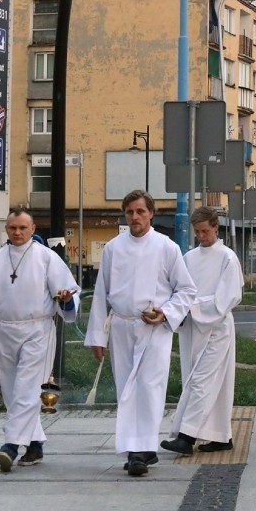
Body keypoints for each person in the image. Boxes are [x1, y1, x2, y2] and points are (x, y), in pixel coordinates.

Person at [84, 190, 196, 476]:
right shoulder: (113, 248)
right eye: (130, 212)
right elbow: (101, 294)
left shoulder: (166, 247)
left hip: (153, 328)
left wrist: (166, 313)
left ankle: (142, 450)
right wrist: (98, 336)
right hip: (122, 326)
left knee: (150, 386)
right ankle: (136, 449)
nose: (135, 217)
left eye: (140, 211)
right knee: (126, 388)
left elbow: (186, 289)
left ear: (151, 214)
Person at [0, 207, 79, 472]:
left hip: (37, 330)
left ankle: (10, 444)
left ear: (32, 229)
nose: (17, 232)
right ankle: (35, 443)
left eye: (22, 227)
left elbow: (69, 290)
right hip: (6, 330)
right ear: (6, 229)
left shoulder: (46, 258)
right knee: (11, 390)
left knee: (28, 390)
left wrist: (65, 298)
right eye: (12, 228)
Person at [161, 207, 243, 456]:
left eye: (205, 231)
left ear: (216, 227)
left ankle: (186, 437)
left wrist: (193, 307)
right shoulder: (189, 258)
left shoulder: (227, 257)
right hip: (193, 329)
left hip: (216, 328)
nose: (201, 236)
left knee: (201, 381)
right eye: (197, 232)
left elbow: (228, 297)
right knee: (204, 381)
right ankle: (220, 435)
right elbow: (181, 290)